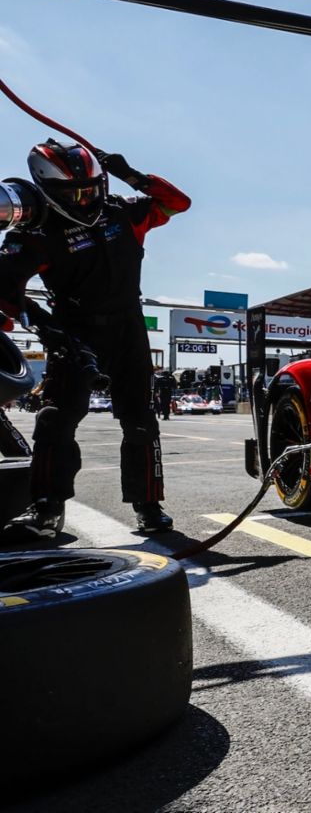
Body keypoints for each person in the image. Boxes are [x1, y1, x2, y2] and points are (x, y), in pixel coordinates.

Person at [0, 140, 190, 540]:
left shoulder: (124, 211)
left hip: (128, 329)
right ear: (48, 190)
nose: (85, 200)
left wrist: (131, 175)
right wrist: (44, 325)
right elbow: (4, 288)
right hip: (74, 332)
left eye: (91, 189)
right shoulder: (37, 232)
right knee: (57, 418)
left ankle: (148, 506)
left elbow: (178, 203)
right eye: (75, 193)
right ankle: (47, 507)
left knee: (140, 420)